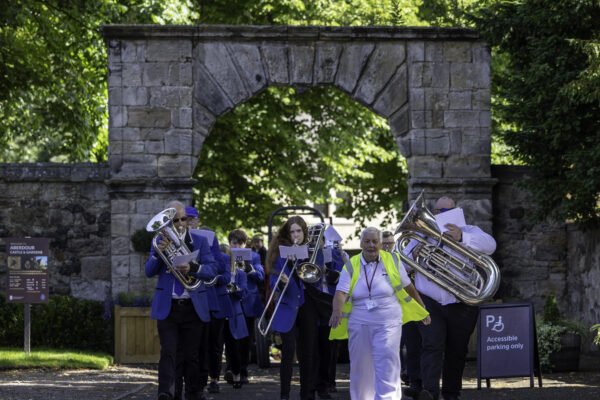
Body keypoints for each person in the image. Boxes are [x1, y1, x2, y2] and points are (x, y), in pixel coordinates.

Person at [406, 196, 497, 400]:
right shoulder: (421, 235)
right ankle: (430, 391)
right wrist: (413, 254)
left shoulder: (470, 230)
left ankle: (451, 393)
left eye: (450, 210)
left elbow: (491, 246)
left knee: (457, 350)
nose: (444, 214)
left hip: (461, 301)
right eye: (440, 211)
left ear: (457, 211)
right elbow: (400, 267)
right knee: (432, 344)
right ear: (434, 213)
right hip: (429, 300)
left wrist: (461, 237)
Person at [329, 227, 431, 400]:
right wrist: (337, 310)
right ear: (361, 243)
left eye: (375, 241)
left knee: (387, 363)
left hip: (389, 321)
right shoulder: (351, 264)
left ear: (380, 243)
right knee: (361, 367)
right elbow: (341, 292)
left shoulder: (392, 259)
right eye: (367, 241)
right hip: (359, 322)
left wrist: (422, 309)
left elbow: (408, 287)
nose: (371, 245)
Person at [145, 201, 217, 400]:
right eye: (174, 220)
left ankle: (193, 392)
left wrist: (193, 268)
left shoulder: (200, 241)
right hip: (168, 307)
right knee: (169, 352)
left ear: (188, 220)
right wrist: (159, 254)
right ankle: (167, 392)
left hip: (192, 306)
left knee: (191, 355)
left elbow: (212, 270)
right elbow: (149, 271)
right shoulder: (160, 240)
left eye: (182, 219)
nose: (179, 223)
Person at [265, 216, 325, 400]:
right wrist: (282, 282)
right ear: (287, 233)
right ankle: (284, 395)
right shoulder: (280, 252)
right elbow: (273, 279)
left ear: (304, 232)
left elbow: (319, 279)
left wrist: (304, 263)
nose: (295, 235)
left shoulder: (315, 251)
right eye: (292, 231)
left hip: (307, 306)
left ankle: (307, 394)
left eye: (298, 231)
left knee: (308, 352)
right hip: (287, 305)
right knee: (288, 351)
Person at [228, 229, 265, 384]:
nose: (236, 246)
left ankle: (243, 370)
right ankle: (231, 368)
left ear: (245, 244)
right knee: (230, 337)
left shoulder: (254, 256)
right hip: (231, 302)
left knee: (246, 339)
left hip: (248, 301)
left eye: (239, 243)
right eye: (233, 243)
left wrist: (248, 268)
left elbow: (260, 276)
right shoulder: (226, 257)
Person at [220, 238, 249, 389]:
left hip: (234, 314)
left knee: (233, 348)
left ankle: (237, 375)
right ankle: (213, 378)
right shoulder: (216, 274)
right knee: (216, 348)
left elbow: (243, 293)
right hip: (219, 313)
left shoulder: (240, 274)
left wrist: (234, 288)